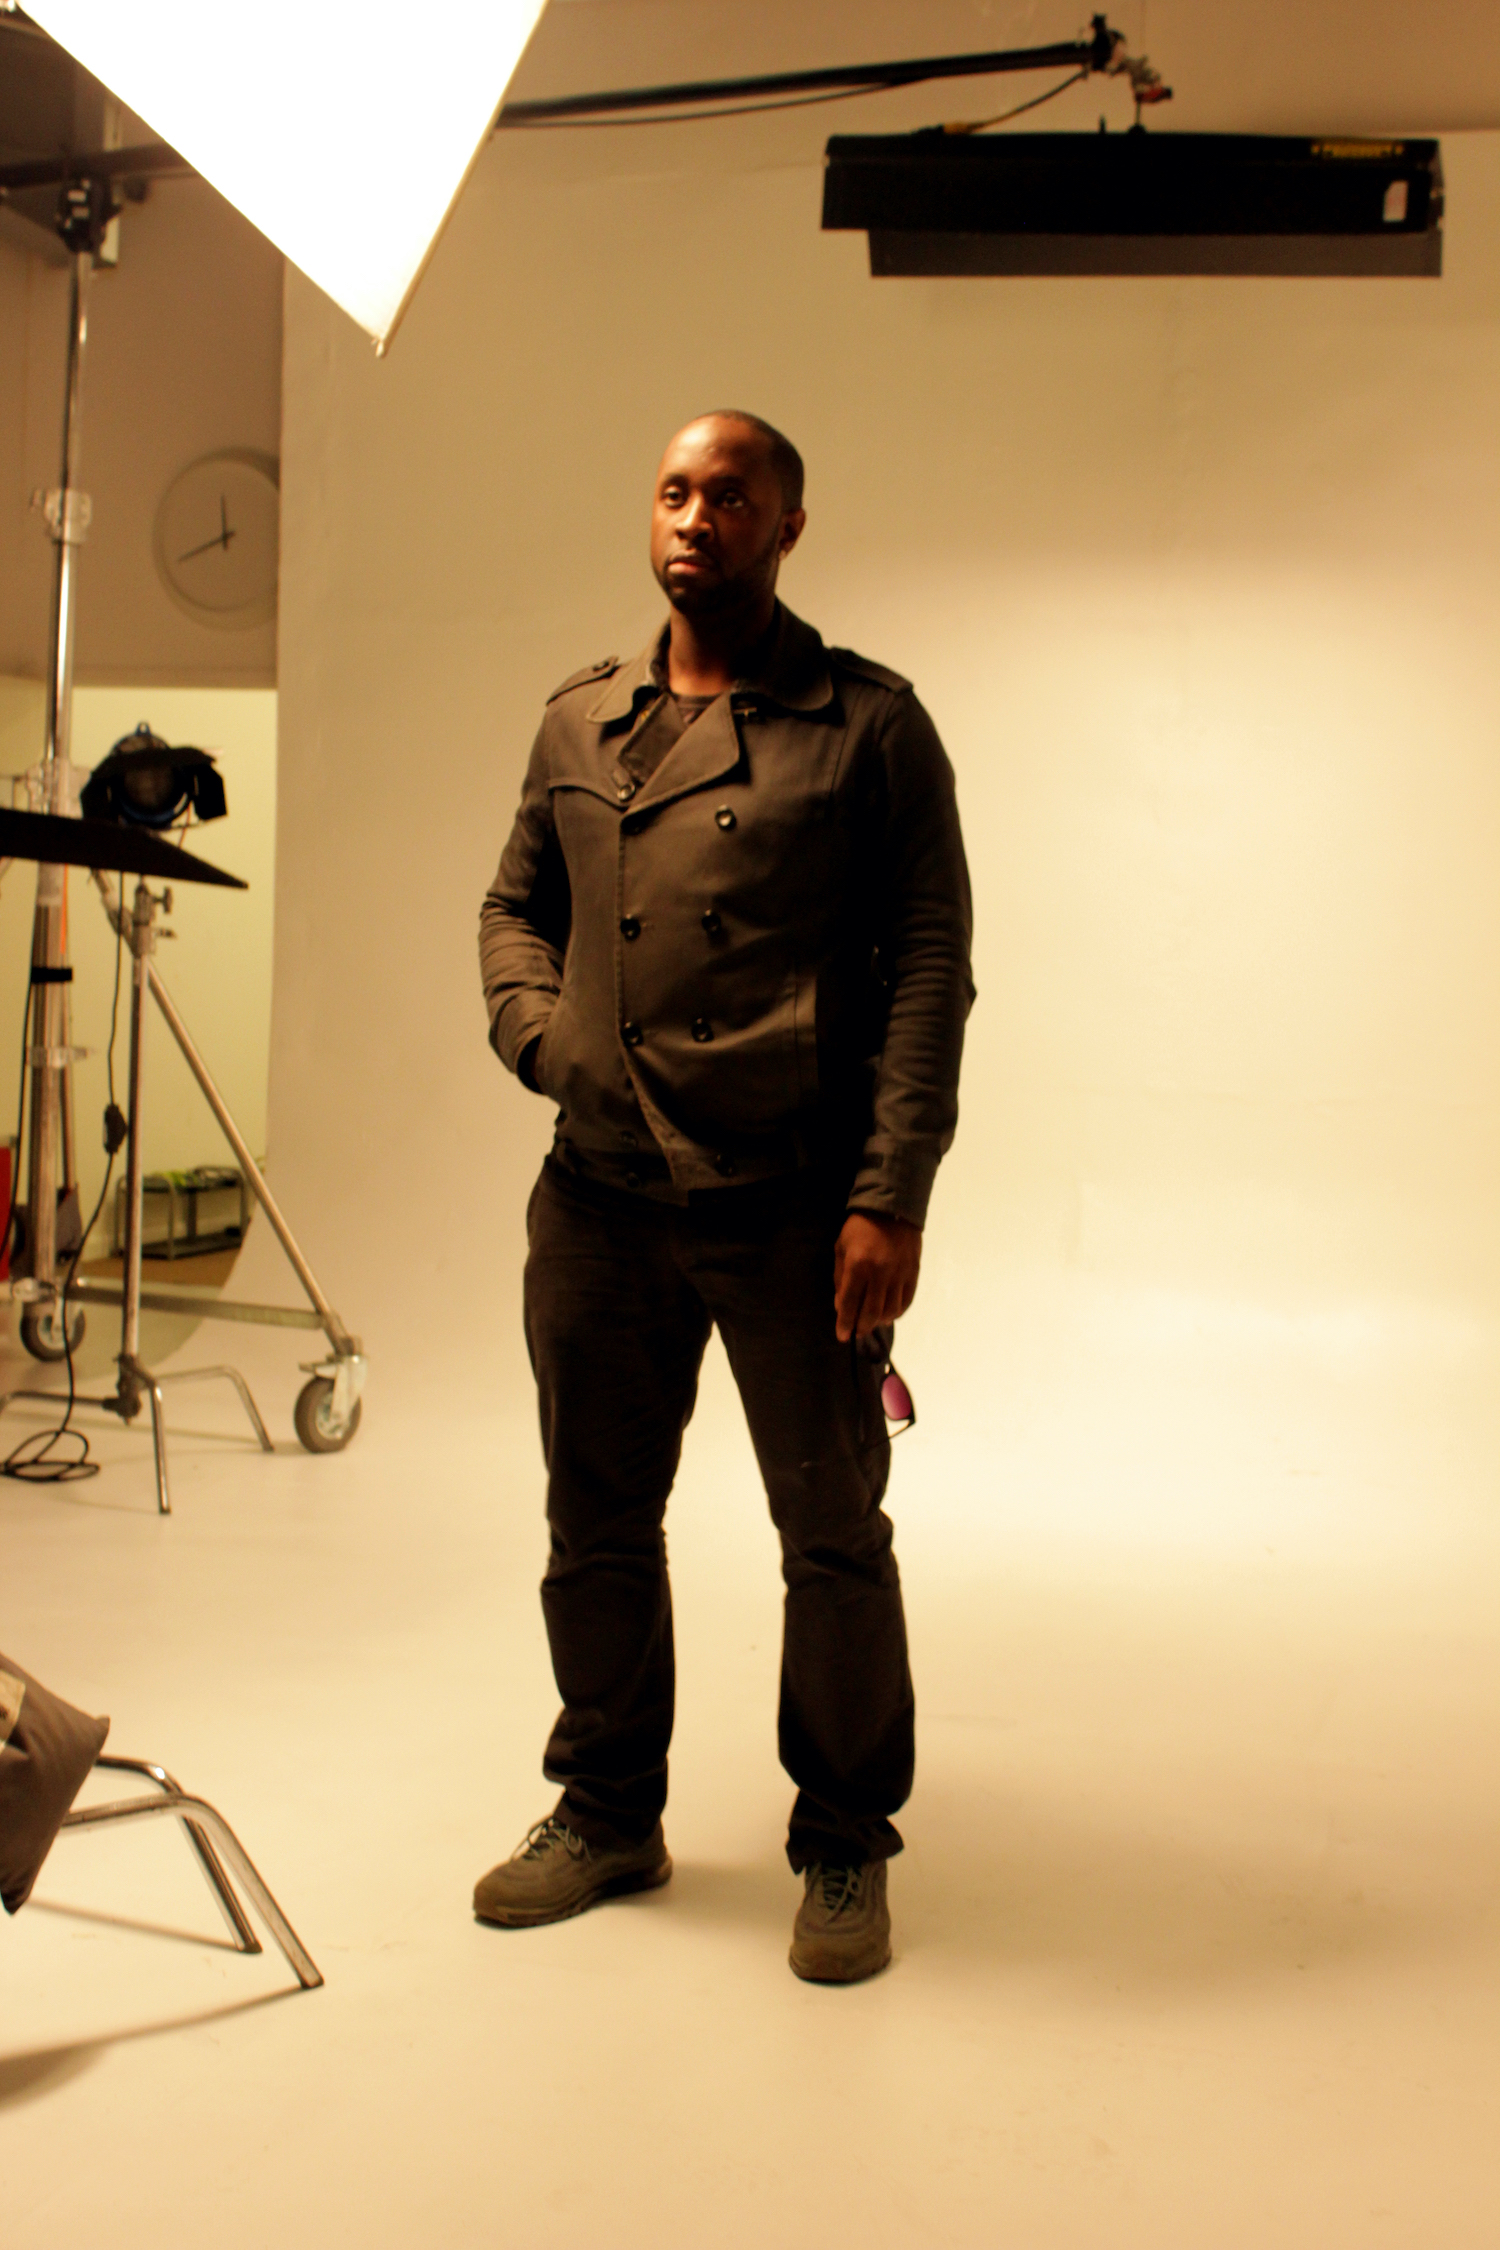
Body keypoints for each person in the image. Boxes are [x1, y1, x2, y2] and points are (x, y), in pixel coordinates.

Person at [475, 410, 972, 1983]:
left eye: (733, 496)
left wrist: (889, 1195)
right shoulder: (580, 719)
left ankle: (842, 1840)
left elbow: (930, 973)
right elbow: (511, 907)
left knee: (830, 1528)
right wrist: (542, 1037)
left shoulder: (868, 727)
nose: (697, 516)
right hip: (600, 1194)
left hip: (790, 1202)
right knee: (595, 1516)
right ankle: (608, 1806)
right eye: (677, 490)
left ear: (787, 529)